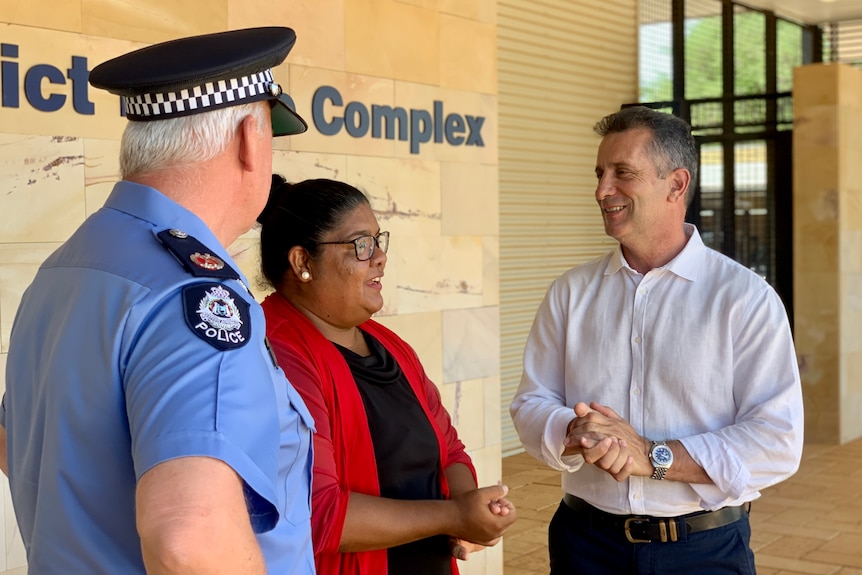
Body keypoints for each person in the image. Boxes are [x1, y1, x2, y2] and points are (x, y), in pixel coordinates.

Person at [0, 28, 315, 574]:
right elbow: (190, 538)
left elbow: (18, 445)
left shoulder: (66, 270)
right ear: (250, 139)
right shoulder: (194, 296)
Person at [510, 105, 803, 574]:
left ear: (676, 184)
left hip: (703, 552)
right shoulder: (570, 292)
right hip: (584, 546)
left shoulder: (745, 298)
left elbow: (776, 441)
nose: (602, 190)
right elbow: (531, 402)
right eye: (600, 173)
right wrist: (576, 431)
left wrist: (652, 456)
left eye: (622, 173)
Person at [256, 175, 517, 574]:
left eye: (378, 241)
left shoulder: (386, 343)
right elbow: (321, 512)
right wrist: (453, 516)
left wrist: (472, 513)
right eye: (361, 245)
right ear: (302, 262)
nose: (379, 257)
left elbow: (448, 449)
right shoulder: (277, 353)